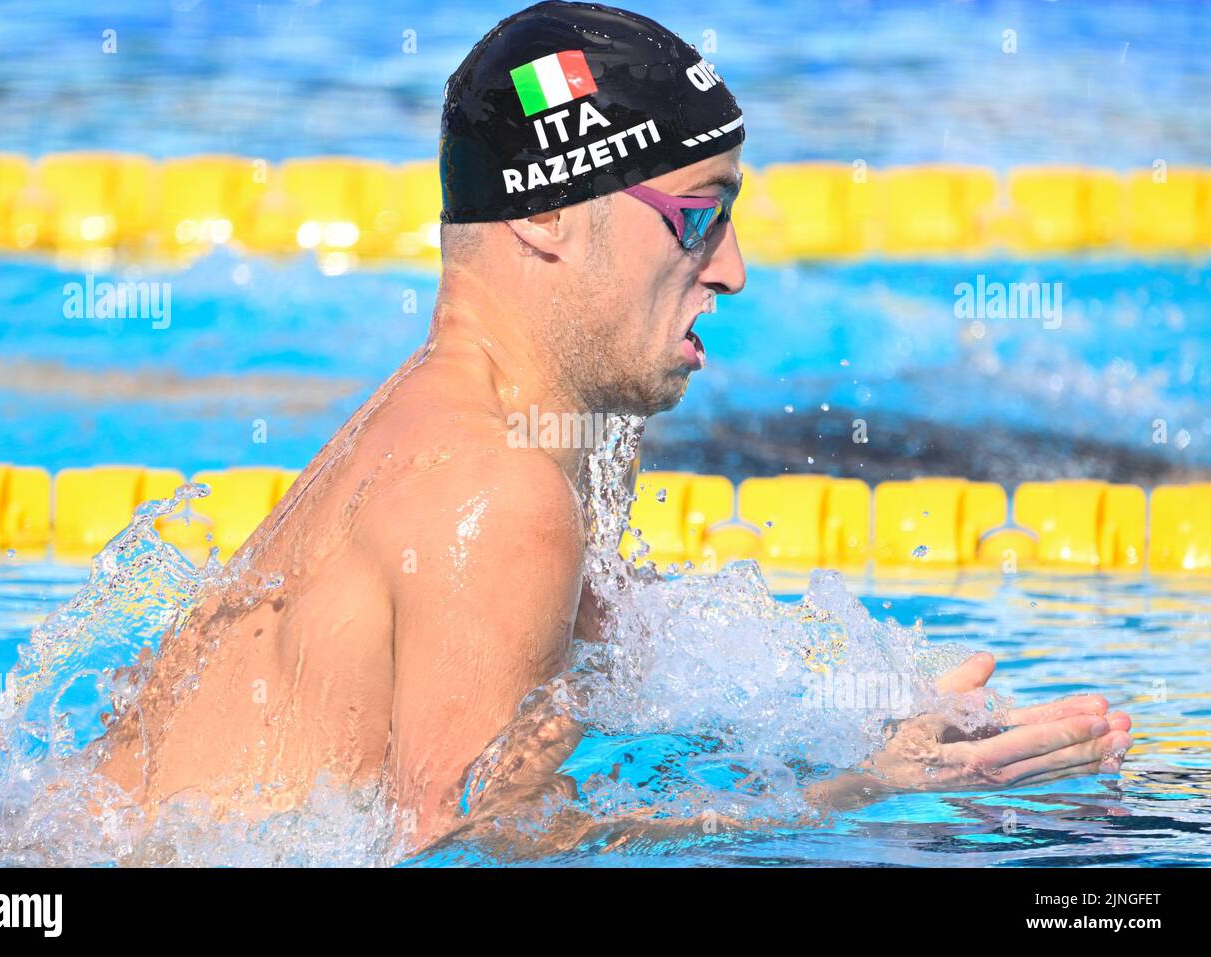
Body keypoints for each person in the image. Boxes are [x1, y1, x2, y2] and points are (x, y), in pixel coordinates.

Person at [96, 0, 1133, 855]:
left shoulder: (527, 434)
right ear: (546, 215)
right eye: (697, 214)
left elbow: (601, 716)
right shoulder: (495, 493)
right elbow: (453, 853)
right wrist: (867, 788)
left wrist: (866, 726)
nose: (729, 268)